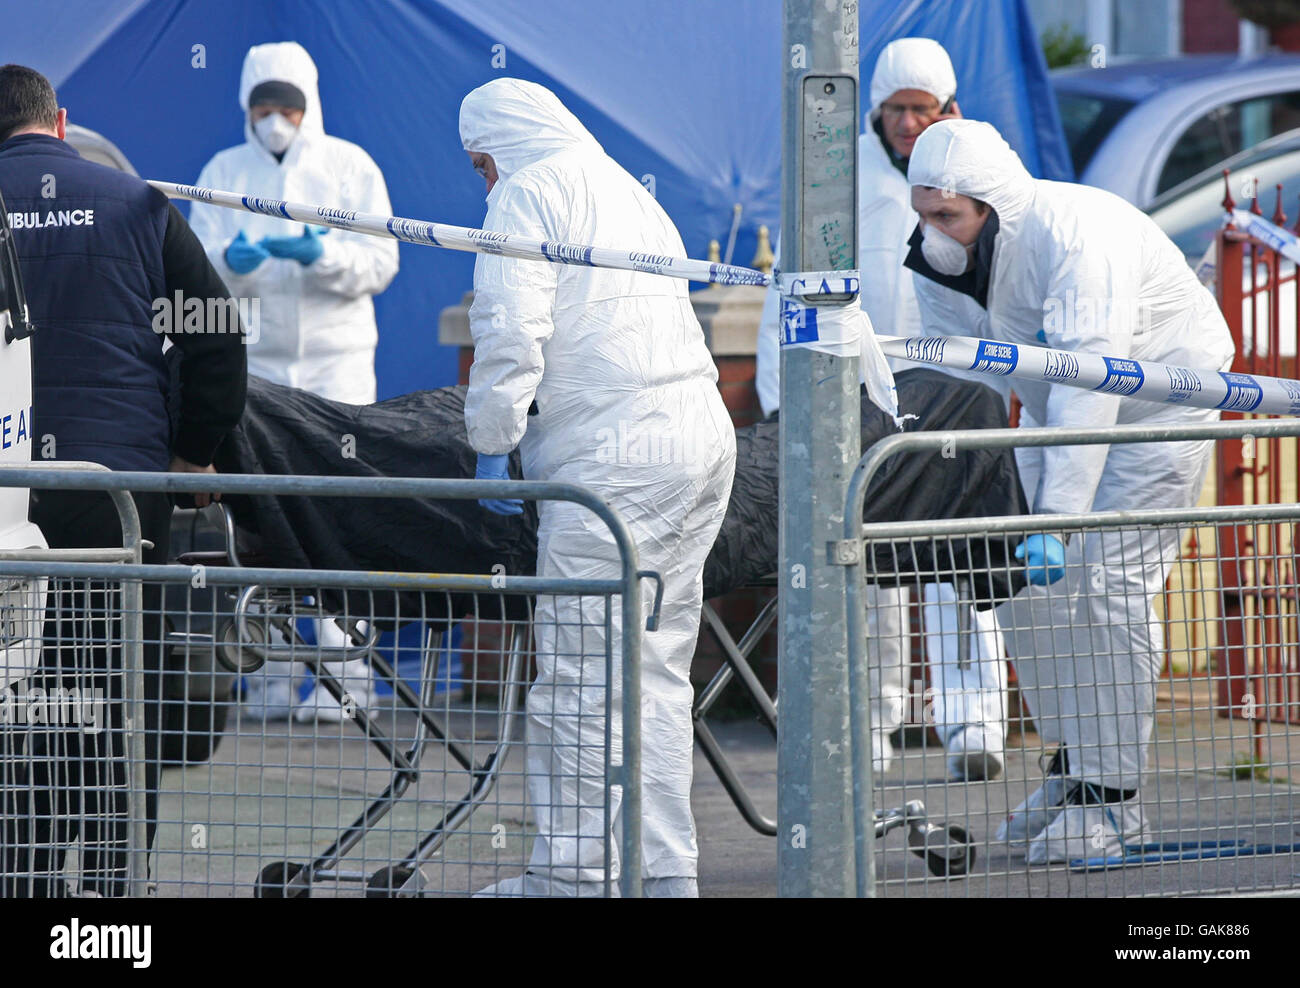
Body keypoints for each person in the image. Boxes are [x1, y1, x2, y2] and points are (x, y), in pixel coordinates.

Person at [905, 118, 1235, 863]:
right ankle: (1077, 768)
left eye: (946, 216)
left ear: (993, 206)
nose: (934, 233)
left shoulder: (1079, 235)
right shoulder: (945, 258)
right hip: (1061, 415)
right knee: (1020, 585)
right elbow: (964, 380)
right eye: (923, 214)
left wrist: (1056, 515)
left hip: (1162, 408)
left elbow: (1094, 375)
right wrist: (970, 488)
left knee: (1111, 585)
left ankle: (1114, 802)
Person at [458, 78, 735, 897]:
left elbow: (510, 327)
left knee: (580, 676)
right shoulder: (626, 190)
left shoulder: (527, 193)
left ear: (498, 148)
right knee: (653, 668)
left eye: (480, 166)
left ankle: (575, 877)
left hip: (616, 457)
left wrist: (491, 441)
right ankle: (662, 872)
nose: (482, 183)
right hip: (699, 436)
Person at [0, 64, 247, 895]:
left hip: (7, 503)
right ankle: (114, 901)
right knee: (117, 709)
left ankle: (25, 886)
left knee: (16, 712)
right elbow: (215, 336)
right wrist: (193, 454)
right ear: (61, 123)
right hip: (120, 501)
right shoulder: (138, 203)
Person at [756, 37, 1009, 782]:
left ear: (947, 110)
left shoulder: (980, 167)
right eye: (895, 110)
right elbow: (793, 289)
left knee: (962, 559)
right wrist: (784, 401)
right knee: (870, 570)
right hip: (867, 400)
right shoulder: (840, 180)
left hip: (957, 395)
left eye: (920, 110)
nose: (906, 124)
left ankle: (973, 721)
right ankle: (873, 725)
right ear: (876, 112)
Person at [189, 41, 399, 722]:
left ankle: (350, 685)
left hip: (337, 365)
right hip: (259, 367)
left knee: (342, 514)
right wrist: (233, 259)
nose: (275, 119)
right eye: (263, 107)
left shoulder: (350, 168)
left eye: (287, 106)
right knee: (261, 519)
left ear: (308, 106)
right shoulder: (222, 169)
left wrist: (324, 253)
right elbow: (198, 265)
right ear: (245, 109)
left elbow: (381, 261)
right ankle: (273, 679)